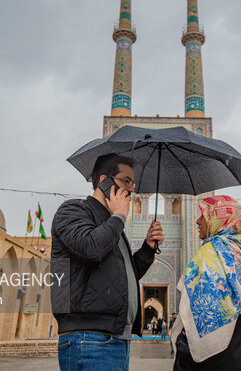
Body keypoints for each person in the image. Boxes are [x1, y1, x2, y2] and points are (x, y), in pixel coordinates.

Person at [51, 153, 165, 371]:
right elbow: (90, 249)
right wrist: (119, 217)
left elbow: (121, 277)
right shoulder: (73, 211)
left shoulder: (111, 225)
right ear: (105, 181)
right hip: (88, 338)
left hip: (115, 338)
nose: (132, 189)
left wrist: (148, 249)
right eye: (126, 181)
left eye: (133, 183)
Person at [172, 195, 241, 370]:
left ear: (219, 221)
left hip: (216, 361)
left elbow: (202, 325)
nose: (197, 221)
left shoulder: (212, 254)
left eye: (203, 216)